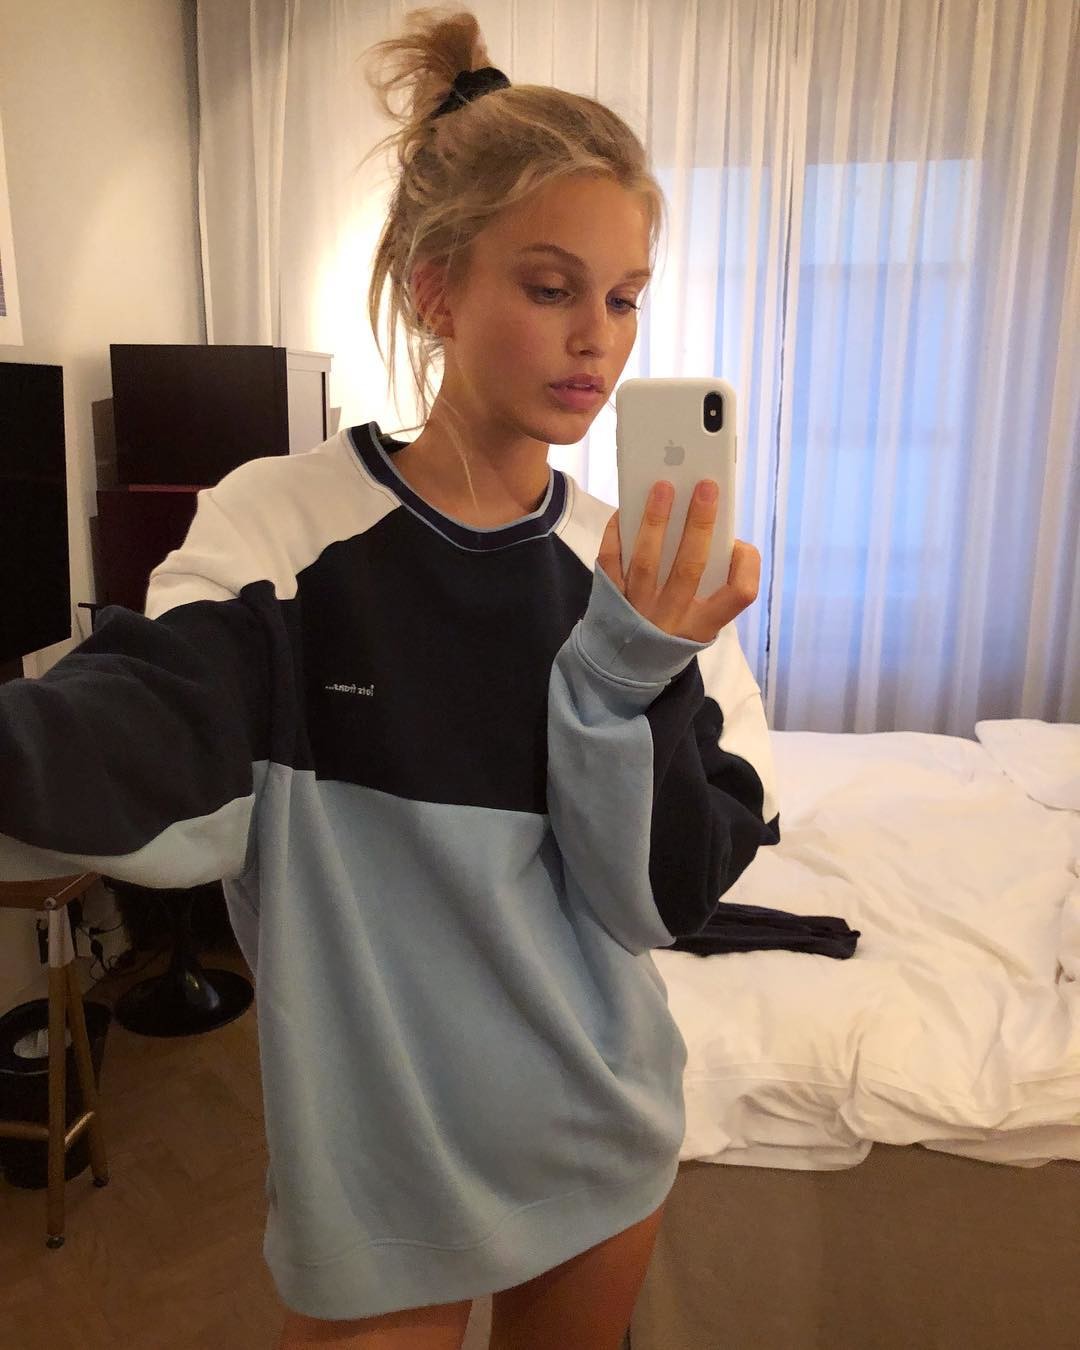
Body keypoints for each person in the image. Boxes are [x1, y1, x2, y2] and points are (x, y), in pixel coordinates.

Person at [0, 8, 781, 1348]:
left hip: (597, 1134)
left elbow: (661, 897)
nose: (598, 341)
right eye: (552, 288)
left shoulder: (632, 570)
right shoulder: (278, 529)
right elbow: (144, 733)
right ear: (435, 291)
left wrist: (632, 666)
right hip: (378, 1171)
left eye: (623, 297)